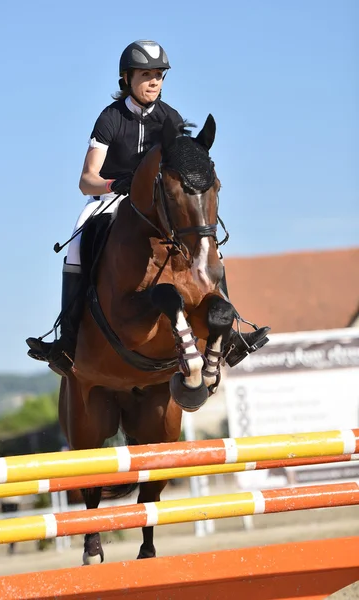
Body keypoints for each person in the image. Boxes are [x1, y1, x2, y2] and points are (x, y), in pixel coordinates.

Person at [26, 39, 269, 375]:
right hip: (109, 199)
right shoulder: (110, 118)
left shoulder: (171, 118)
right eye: (146, 74)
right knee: (76, 248)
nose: (154, 81)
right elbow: (87, 179)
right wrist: (116, 185)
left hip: (158, 204)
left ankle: (229, 335)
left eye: (159, 75)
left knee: (203, 245)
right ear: (127, 78)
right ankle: (66, 339)